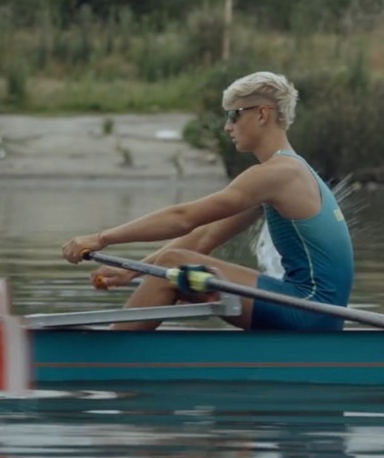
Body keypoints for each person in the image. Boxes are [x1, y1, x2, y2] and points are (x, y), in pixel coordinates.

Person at [60, 71, 354, 331]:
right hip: (314, 310)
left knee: (175, 265)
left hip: (310, 309)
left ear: (262, 115)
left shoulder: (280, 173)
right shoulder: (284, 173)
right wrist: (131, 270)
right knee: (180, 268)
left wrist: (101, 238)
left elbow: (183, 218)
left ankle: (110, 358)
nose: (227, 126)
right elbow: (205, 236)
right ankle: (122, 348)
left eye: (233, 115)